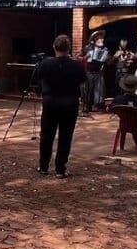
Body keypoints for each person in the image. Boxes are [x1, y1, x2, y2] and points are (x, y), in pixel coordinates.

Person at [36, 34, 86, 178]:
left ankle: (43, 166)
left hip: (50, 103)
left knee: (46, 135)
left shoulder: (45, 63)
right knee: (65, 136)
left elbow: (38, 79)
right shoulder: (76, 65)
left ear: (54, 47)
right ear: (69, 48)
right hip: (70, 103)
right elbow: (83, 80)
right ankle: (60, 168)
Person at [83, 32, 110, 113]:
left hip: (99, 72)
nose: (102, 40)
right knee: (89, 90)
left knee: (99, 90)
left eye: (102, 38)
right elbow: (79, 57)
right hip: (89, 72)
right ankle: (88, 106)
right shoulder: (88, 48)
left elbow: (108, 62)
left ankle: (98, 106)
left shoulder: (105, 50)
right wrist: (85, 57)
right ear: (94, 40)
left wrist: (110, 58)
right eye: (100, 38)